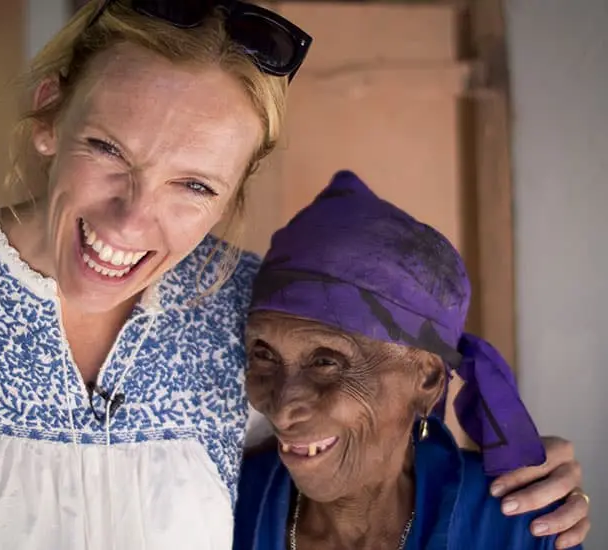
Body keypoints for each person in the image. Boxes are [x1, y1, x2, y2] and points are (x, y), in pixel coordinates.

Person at [0, 1, 586, 549]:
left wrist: (525, 475)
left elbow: (370, 405)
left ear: (234, 193)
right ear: (50, 115)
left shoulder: (250, 315)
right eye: (109, 150)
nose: (128, 221)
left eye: (195, 185)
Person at [234, 171, 585, 550]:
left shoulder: (521, 527)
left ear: (428, 379)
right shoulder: (229, 504)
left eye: (326, 362)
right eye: (264, 355)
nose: (283, 410)